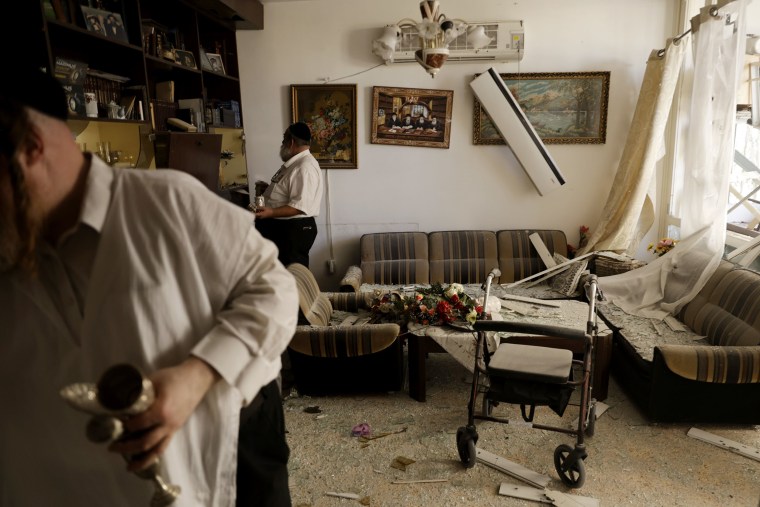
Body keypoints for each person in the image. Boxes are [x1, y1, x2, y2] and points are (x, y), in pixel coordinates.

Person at [0, 65, 298, 506]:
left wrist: (198, 375)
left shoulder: (168, 200)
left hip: (236, 433)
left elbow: (276, 291)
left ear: (29, 148)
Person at [254, 122, 323, 268]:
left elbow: (300, 206)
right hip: (285, 229)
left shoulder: (304, 167)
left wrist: (270, 212)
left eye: (283, 140)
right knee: (281, 275)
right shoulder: (295, 164)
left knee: (292, 278)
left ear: (290, 142)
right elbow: (290, 193)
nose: (282, 144)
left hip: (292, 231)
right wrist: (269, 190)